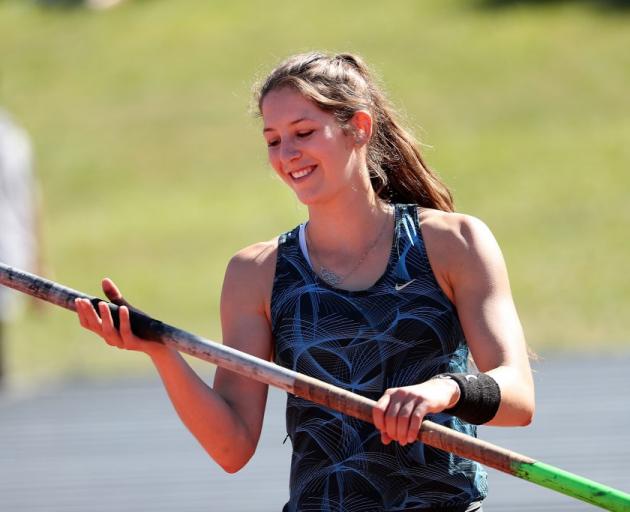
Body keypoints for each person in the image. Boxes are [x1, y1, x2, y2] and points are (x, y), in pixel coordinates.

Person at [75, 52, 535, 511]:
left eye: (304, 133)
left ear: (358, 126)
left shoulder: (454, 242)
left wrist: (444, 390)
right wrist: (162, 351)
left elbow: (518, 397)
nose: (287, 154)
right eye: (273, 140)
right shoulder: (254, 274)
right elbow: (232, 448)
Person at [0, 108, 43, 388]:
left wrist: (38, 261)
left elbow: (30, 200)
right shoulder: (14, 137)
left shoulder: (13, 137)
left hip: (8, 247)